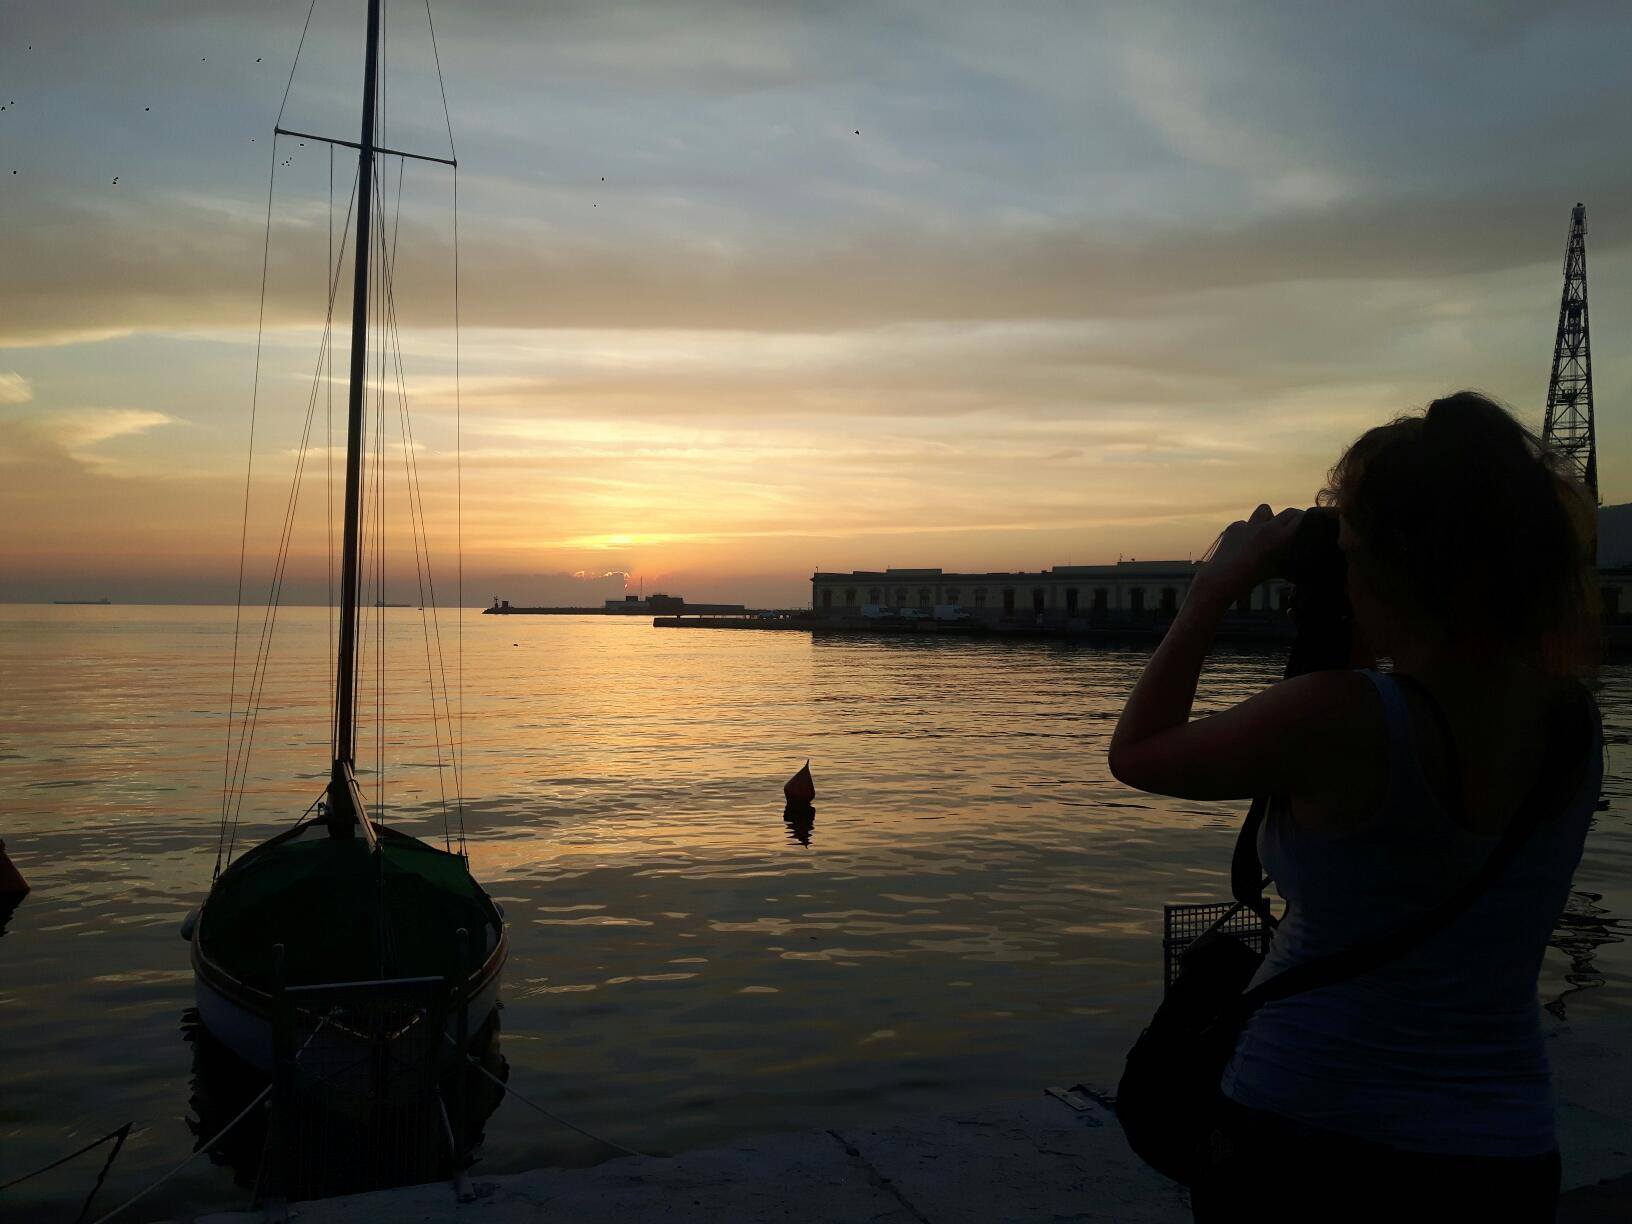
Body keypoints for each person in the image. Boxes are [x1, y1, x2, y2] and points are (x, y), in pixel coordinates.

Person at [1107, 392, 1602, 1222]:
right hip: (1503, 1150)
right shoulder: (1572, 723)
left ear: (1385, 570)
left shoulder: (1341, 718)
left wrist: (1209, 594)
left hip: (1307, 1136)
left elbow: (1137, 754)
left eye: (1349, 552)